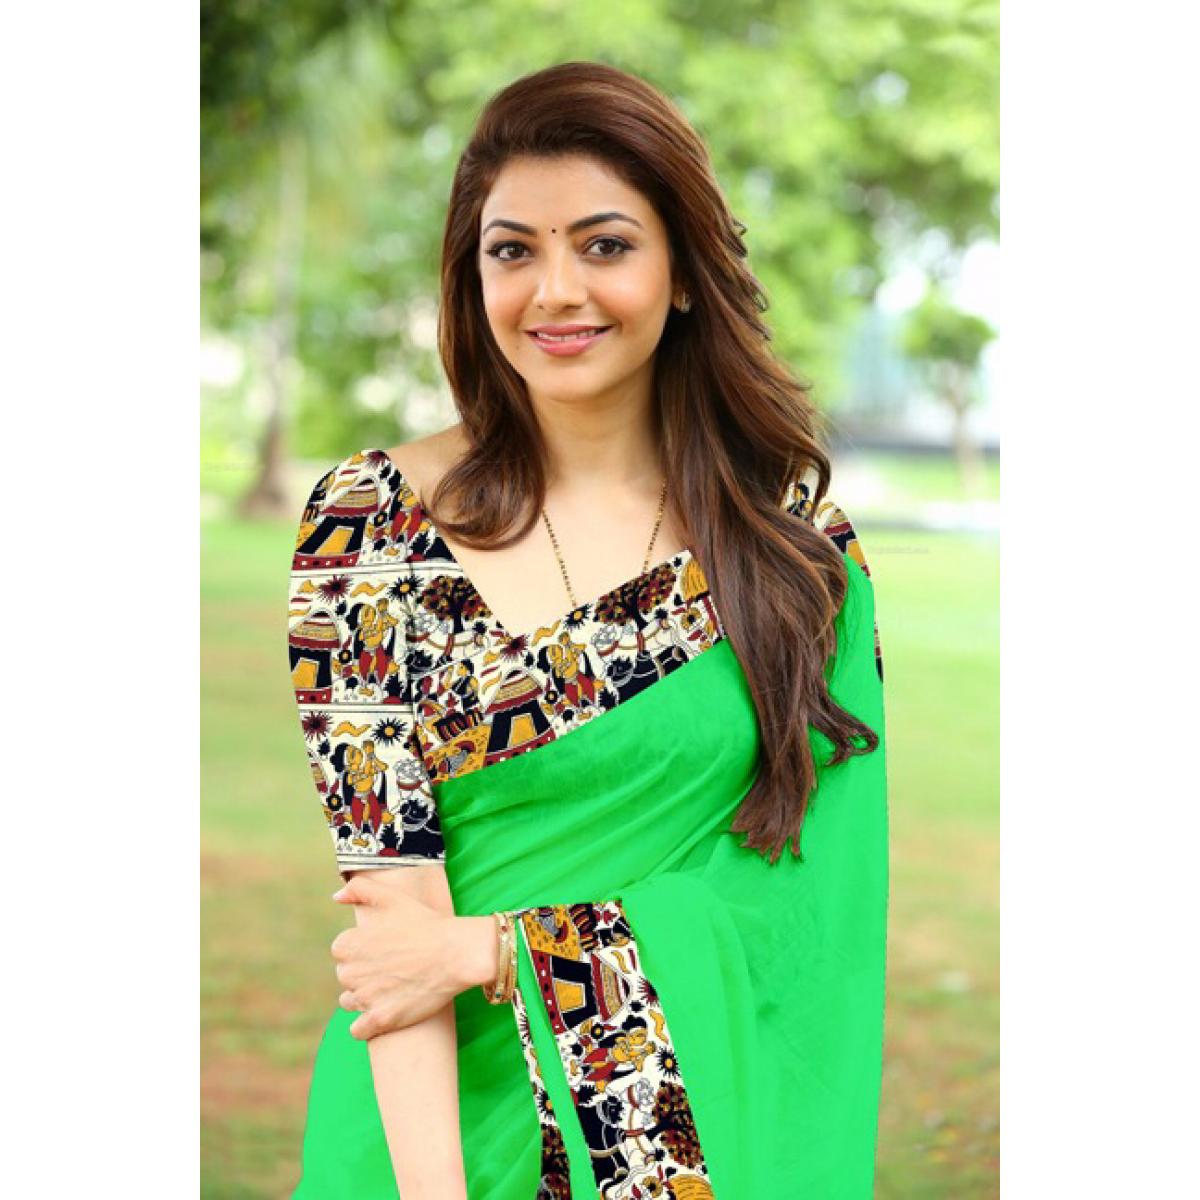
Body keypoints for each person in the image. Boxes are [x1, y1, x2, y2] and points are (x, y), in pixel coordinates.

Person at [285, 60, 888, 1200]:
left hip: (699, 1137)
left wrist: (497, 950)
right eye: (513, 251)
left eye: (605, 245)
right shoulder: (369, 525)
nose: (555, 291)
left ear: (685, 273)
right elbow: (392, 926)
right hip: (433, 1143)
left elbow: (814, 913)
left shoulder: (793, 554)